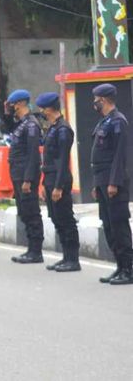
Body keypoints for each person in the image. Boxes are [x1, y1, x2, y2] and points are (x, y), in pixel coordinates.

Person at [91, 83, 133, 285]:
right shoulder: (104, 122)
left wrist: (114, 182)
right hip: (103, 182)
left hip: (114, 184)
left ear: (105, 100)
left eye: (96, 100)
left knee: (119, 226)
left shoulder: (118, 122)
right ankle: (119, 266)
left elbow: (120, 156)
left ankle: (128, 269)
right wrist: (97, 184)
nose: (94, 103)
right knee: (108, 226)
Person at [36, 92, 80, 272]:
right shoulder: (53, 127)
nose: (41, 112)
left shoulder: (63, 129)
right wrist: (45, 183)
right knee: (56, 218)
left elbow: (62, 161)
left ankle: (73, 259)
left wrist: (58, 186)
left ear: (49, 108)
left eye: (43, 108)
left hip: (59, 178)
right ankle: (65, 257)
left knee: (65, 218)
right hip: (50, 177)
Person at [2, 89, 44, 264]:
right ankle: (30, 249)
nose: (10, 107)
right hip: (18, 173)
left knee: (31, 211)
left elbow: (33, 155)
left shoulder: (31, 125)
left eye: (11, 104)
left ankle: (36, 251)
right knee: (24, 211)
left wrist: (27, 180)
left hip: (26, 176)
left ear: (19, 103)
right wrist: (6, 114)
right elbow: (7, 128)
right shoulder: (21, 124)